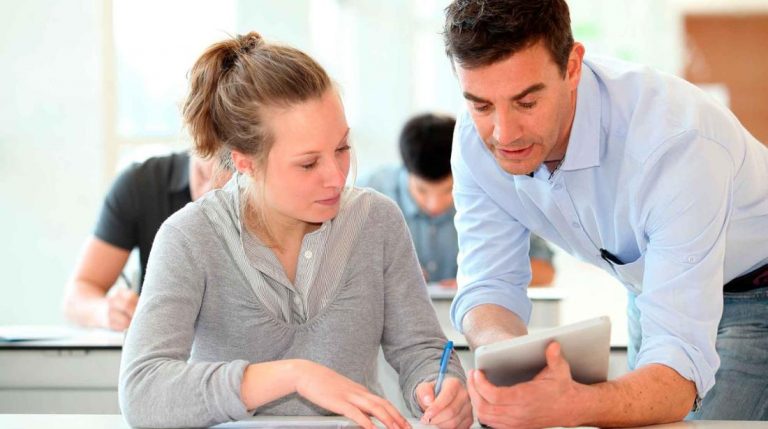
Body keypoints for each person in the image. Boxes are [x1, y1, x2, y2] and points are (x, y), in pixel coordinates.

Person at [118, 32, 474, 429]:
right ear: (245, 162)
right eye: (308, 164)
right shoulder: (189, 237)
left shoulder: (377, 220)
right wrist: (293, 375)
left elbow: (422, 351)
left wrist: (440, 388)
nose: (336, 177)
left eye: (342, 149)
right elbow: (143, 391)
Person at [443, 0, 768, 427]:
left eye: (527, 102)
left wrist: (572, 404)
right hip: (652, 287)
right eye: (482, 105)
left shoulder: (675, 145)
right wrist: (512, 367)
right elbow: (489, 285)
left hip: (756, 291)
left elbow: (678, 371)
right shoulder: (475, 142)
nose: (504, 134)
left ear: (572, 67)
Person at [361, 113, 555, 287]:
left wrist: (483, 282)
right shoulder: (367, 194)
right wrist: (383, 274)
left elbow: (545, 270)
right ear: (406, 171)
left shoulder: (493, 190)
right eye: (422, 191)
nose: (434, 205)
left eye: (448, 190)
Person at [62, 152, 228, 331]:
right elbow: (77, 294)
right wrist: (104, 311)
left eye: (230, 182)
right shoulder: (141, 184)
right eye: (203, 176)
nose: (210, 194)